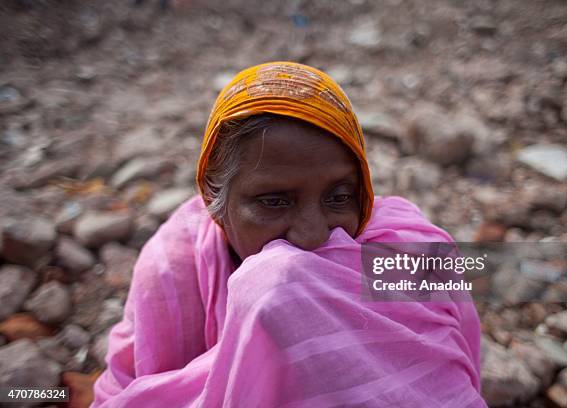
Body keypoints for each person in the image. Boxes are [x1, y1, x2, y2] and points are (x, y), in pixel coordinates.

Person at [91, 61, 485, 407]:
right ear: (215, 195)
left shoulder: (403, 248)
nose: (313, 235)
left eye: (339, 197)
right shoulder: (173, 271)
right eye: (275, 202)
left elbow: (450, 375)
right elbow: (128, 391)